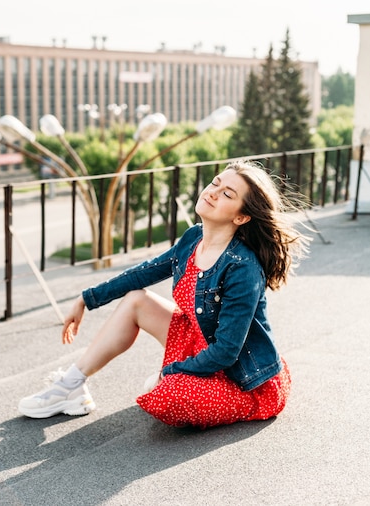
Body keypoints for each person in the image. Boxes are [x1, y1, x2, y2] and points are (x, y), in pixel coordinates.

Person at [19, 159, 309, 428]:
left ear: (242, 217)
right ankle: (70, 386)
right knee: (136, 300)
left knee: (166, 394)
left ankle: (180, 382)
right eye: (215, 183)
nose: (213, 192)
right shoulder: (194, 237)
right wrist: (87, 298)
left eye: (228, 194)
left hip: (244, 380)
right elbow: (144, 272)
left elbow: (226, 352)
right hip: (198, 342)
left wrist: (171, 371)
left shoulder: (242, 268)